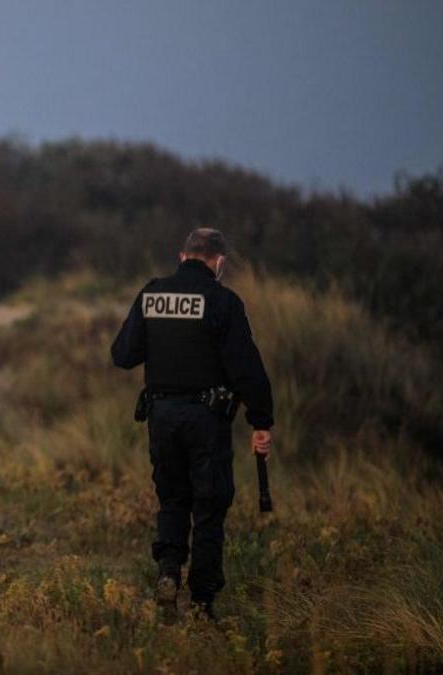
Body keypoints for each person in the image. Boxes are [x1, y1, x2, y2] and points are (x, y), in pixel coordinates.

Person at [110, 227, 273, 618]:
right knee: (210, 506)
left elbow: (123, 354)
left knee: (173, 499)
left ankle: (168, 571)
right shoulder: (223, 301)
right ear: (218, 263)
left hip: (161, 417)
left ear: (182, 257)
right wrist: (261, 420)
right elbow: (247, 369)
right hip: (207, 419)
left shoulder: (151, 293)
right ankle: (202, 601)